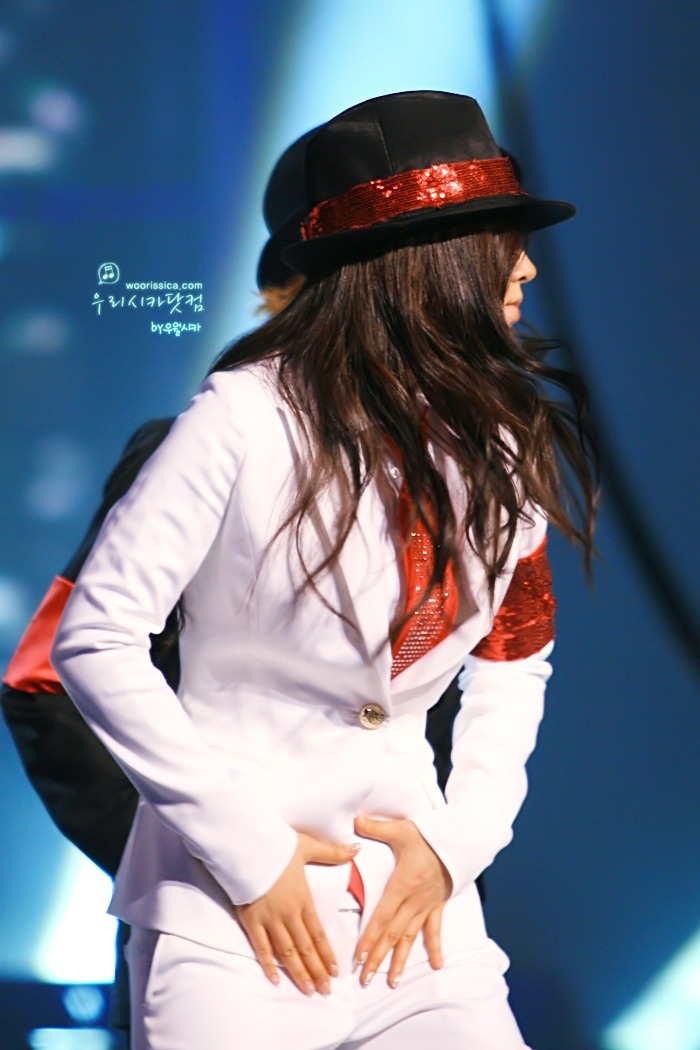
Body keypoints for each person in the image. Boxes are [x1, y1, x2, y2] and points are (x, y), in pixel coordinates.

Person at [51, 90, 597, 1049]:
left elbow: (515, 661)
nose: (527, 266)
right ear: (427, 258)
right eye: (503, 241)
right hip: (231, 913)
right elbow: (94, 640)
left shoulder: (504, 441)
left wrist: (458, 844)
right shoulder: (241, 417)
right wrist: (246, 851)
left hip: (419, 917)